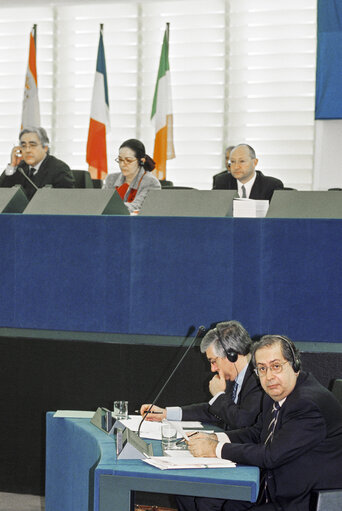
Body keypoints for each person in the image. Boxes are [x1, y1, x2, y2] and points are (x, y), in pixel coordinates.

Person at [180, 335, 342, 511]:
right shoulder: (274, 394)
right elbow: (257, 432)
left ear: (295, 365)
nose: (269, 376)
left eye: (276, 366)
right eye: (262, 369)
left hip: (304, 500)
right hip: (273, 486)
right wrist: (214, 437)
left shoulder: (307, 404)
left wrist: (215, 449)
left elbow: (271, 455)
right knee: (195, 497)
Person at [140, 320, 263, 431]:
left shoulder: (259, 379)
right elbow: (213, 411)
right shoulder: (234, 377)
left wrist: (219, 396)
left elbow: (243, 422)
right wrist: (166, 413)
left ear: (231, 355)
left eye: (213, 361)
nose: (212, 368)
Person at [0, 127, 75, 200]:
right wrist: (12, 165)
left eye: (32, 145)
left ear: (45, 148)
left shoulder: (59, 169)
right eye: (23, 146)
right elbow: (3, 196)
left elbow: (65, 202)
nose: (27, 150)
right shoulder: (19, 168)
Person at [103, 138, 161, 213]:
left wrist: (108, 207)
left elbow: (137, 207)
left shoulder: (151, 182)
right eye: (120, 160)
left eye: (128, 160)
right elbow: (102, 204)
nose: (122, 165)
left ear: (141, 161)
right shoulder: (111, 179)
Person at [212, 144, 284, 201]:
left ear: (255, 162)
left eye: (242, 161)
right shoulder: (221, 183)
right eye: (233, 162)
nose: (236, 167)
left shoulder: (272, 186)